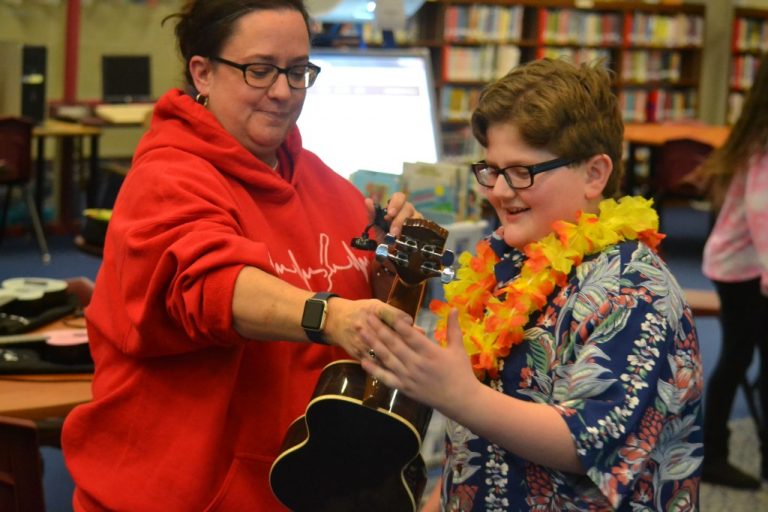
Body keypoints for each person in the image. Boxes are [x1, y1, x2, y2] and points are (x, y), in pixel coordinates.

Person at [60, 1, 418, 510]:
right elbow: (210, 287)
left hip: (300, 487)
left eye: (298, 71)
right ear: (202, 72)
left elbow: (364, 309)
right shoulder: (166, 178)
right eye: (260, 70)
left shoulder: (320, 178)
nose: (283, 92)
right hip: (189, 493)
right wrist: (329, 315)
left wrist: (389, 269)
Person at [361, 58, 703, 511]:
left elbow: (587, 439)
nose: (500, 191)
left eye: (523, 172)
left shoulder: (636, 291)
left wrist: (459, 397)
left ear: (595, 174)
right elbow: (475, 443)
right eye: (492, 169)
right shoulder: (502, 259)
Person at [700, 52, 768, 489]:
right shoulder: (763, 145)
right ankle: (714, 454)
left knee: (747, 358)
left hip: (747, 266)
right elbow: (763, 219)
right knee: (737, 357)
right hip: (741, 271)